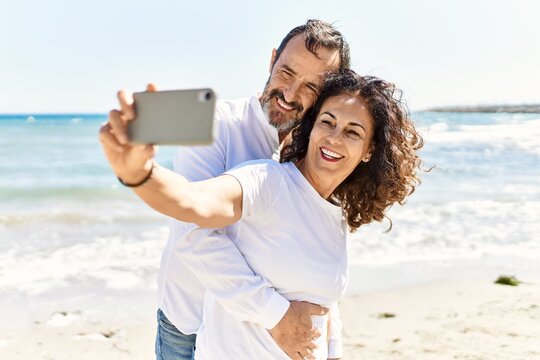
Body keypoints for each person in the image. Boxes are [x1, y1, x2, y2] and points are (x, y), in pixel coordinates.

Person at [99, 70, 424, 359]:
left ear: (369, 151)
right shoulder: (267, 181)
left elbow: (324, 303)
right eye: (328, 122)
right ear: (311, 128)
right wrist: (139, 173)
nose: (335, 138)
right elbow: (193, 203)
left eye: (353, 132)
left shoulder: (333, 212)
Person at [101, 20, 351, 360]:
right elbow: (195, 233)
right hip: (189, 326)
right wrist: (140, 173)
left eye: (311, 87)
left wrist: (331, 344)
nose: (290, 95)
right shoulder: (218, 125)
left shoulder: (321, 153)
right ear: (272, 60)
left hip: (258, 341)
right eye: (286, 73)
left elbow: (317, 249)